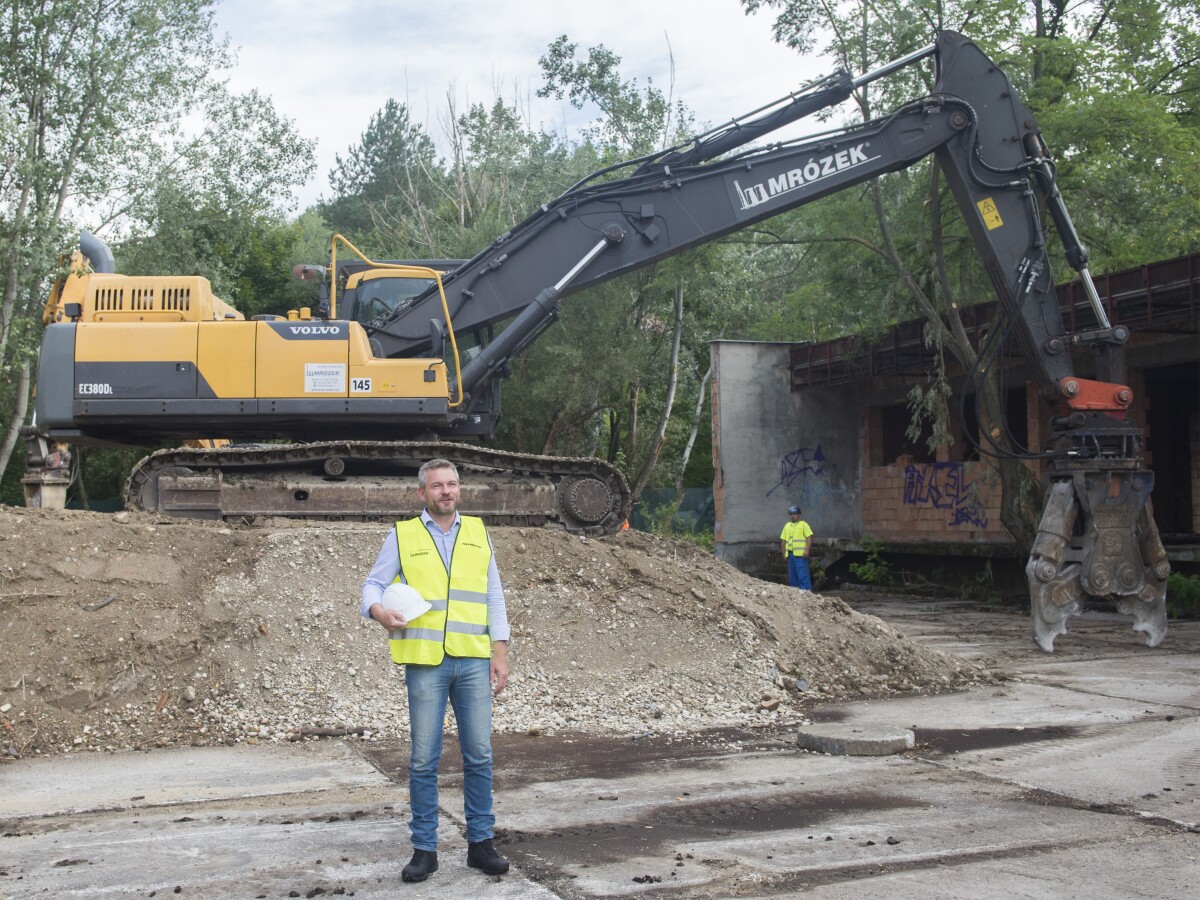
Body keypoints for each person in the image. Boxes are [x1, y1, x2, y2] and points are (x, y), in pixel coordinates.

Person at [361, 458, 511, 883]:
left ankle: (481, 844)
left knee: (479, 755)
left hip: (472, 659)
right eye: (437, 485)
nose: (446, 491)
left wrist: (499, 654)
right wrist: (378, 612)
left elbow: (493, 597)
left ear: (459, 490)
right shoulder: (403, 534)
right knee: (424, 759)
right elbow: (372, 585)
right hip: (426, 663)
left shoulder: (479, 533)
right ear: (422, 493)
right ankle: (425, 850)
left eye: (452, 484)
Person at [780, 504, 814, 591]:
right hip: (790, 555)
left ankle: (806, 592)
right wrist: (783, 553)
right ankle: (794, 593)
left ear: (799, 515)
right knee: (792, 575)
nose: (793, 516)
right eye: (791, 514)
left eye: (795, 514)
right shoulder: (787, 526)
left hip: (801, 555)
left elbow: (809, 538)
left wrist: (807, 550)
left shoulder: (803, 525)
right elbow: (783, 541)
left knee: (803, 575)